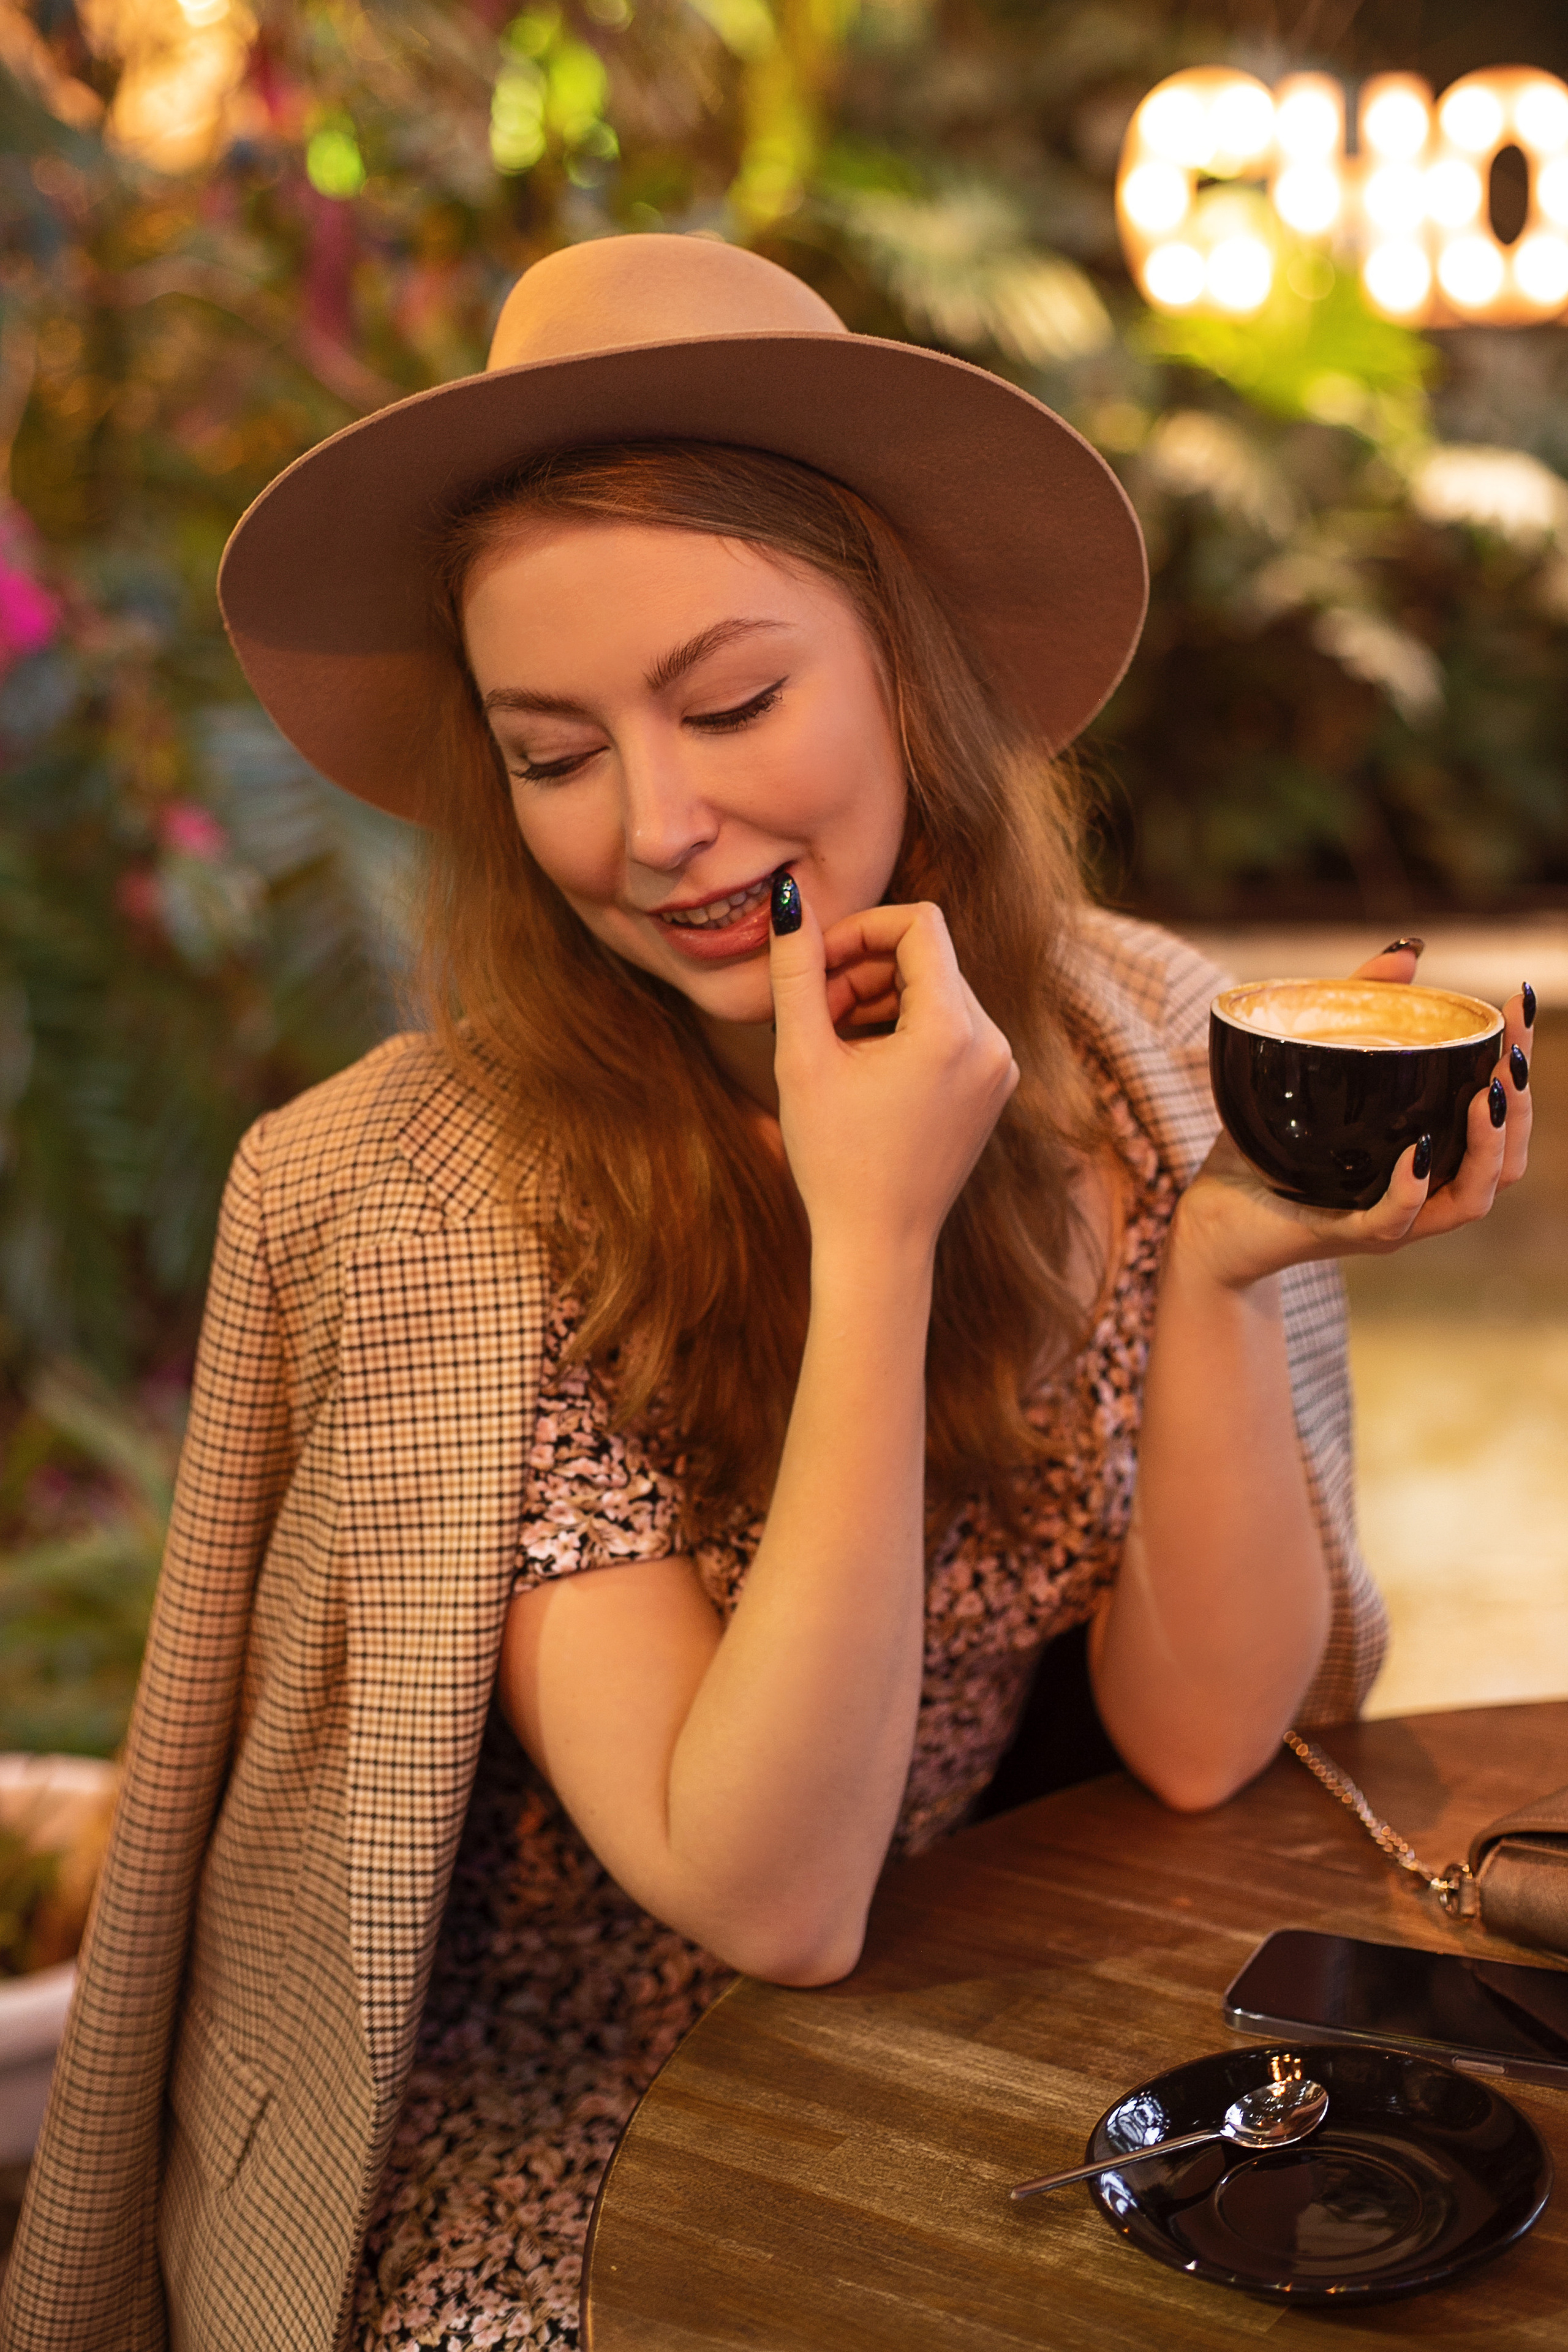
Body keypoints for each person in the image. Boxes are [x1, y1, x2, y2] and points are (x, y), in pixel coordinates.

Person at [0, 236, 1532, 2352]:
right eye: (554, 752)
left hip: (991, 1992)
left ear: (908, 665)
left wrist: (1219, 1277)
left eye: (731, 702)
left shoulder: (1136, 1033)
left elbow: (1196, 1749)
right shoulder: (427, 1198)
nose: (661, 827)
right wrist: (875, 1230)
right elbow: (771, 1898)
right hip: (571, 2108)